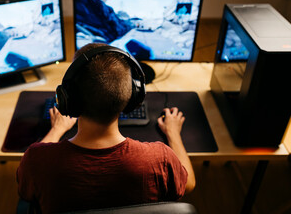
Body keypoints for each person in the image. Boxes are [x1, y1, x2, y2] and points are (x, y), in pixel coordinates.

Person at [17, 43, 196, 213]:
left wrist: (56, 130)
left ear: (68, 99)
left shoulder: (37, 160)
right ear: (134, 96)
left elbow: (26, 192)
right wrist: (173, 133)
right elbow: (188, 184)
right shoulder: (159, 159)